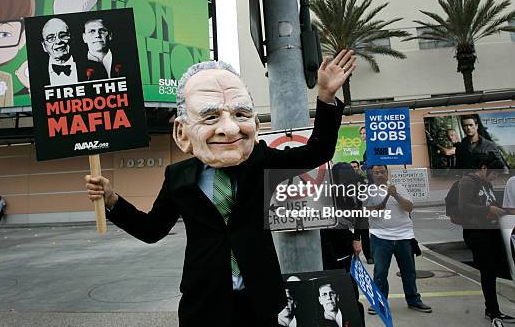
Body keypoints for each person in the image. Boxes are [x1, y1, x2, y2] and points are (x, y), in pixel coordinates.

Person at [85, 50, 357, 327]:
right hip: (204, 304)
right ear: (182, 133)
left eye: (240, 114)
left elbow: (317, 152)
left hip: (259, 300)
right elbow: (151, 229)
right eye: (210, 117)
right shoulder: (178, 176)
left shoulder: (262, 162)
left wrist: (325, 97)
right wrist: (112, 200)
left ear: (255, 125)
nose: (228, 129)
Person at [364, 165, 432, 314]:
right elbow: (367, 211)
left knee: (409, 272)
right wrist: (381, 202)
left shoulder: (399, 187)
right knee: (380, 272)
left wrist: (395, 195)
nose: (380, 175)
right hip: (380, 238)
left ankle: (414, 300)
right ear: (372, 175)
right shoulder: (369, 191)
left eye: (383, 172)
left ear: (387, 173)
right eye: (377, 173)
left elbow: (409, 207)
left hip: (404, 237)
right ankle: (379, 302)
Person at [459, 153, 514, 325]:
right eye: (495, 174)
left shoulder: (486, 184)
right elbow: (464, 207)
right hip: (477, 233)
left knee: (494, 271)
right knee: (488, 272)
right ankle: (494, 312)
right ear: (484, 168)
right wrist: (488, 209)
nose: (496, 178)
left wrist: (499, 210)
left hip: (491, 231)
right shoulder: (468, 182)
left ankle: (491, 309)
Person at [321, 162, 366, 324]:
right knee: (339, 300)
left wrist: (356, 239)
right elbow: (324, 235)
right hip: (332, 259)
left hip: (348, 255)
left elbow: (361, 214)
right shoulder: (327, 198)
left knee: (352, 299)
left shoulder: (352, 194)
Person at [42, 18, 79, 86]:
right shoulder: (35, 74)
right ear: (44, 46)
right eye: (51, 38)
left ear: (71, 39)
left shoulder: (93, 67)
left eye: (63, 35)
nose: (58, 41)